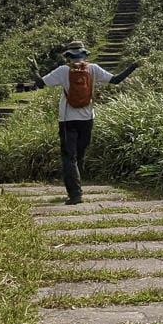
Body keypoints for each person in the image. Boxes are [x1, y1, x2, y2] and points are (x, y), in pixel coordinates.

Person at [31, 40, 138, 204]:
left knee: (69, 157)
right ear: (84, 54)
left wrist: (35, 70)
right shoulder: (93, 69)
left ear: (68, 56)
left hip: (67, 120)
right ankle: (77, 189)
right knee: (79, 155)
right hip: (88, 119)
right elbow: (116, 80)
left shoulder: (63, 70)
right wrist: (133, 66)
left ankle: (75, 195)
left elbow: (40, 83)